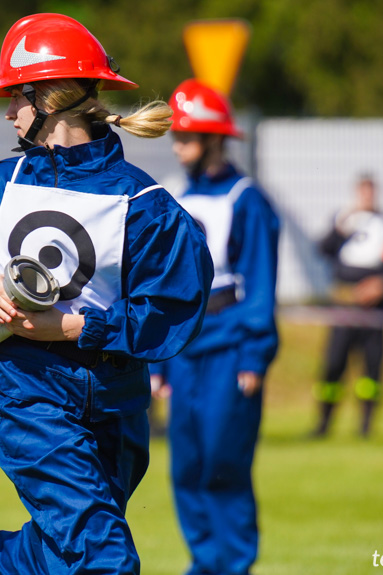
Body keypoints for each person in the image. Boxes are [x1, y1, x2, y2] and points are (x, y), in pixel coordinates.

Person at [0, 13, 213, 575]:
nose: (8, 113)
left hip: (117, 400)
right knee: (105, 559)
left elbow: (172, 311)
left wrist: (74, 328)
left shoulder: (145, 205)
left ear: (48, 99)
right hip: (28, 397)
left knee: (61, 552)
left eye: (16, 98)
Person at [147, 79, 279, 575]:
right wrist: (157, 358)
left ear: (215, 140)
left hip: (229, 347)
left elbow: (261, 284)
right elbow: (159, 283)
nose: (178, 147)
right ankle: (204, 563)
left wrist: (254, 354)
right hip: (182, 351)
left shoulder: (247, 200)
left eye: (187, 137)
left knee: (225, 463)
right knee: (187, 465)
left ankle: (235, 564)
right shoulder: (171, 195)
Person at [312, 174, 383, 438]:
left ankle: (365, 426)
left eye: (371, 193)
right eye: (362, 192)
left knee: (371, 368)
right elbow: (323, 249)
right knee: (333, 365)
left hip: (374, 310)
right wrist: (341, 226)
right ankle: (323, 424)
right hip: (344, 307)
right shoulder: (344, 220)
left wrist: (381, 284)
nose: (367, 198)